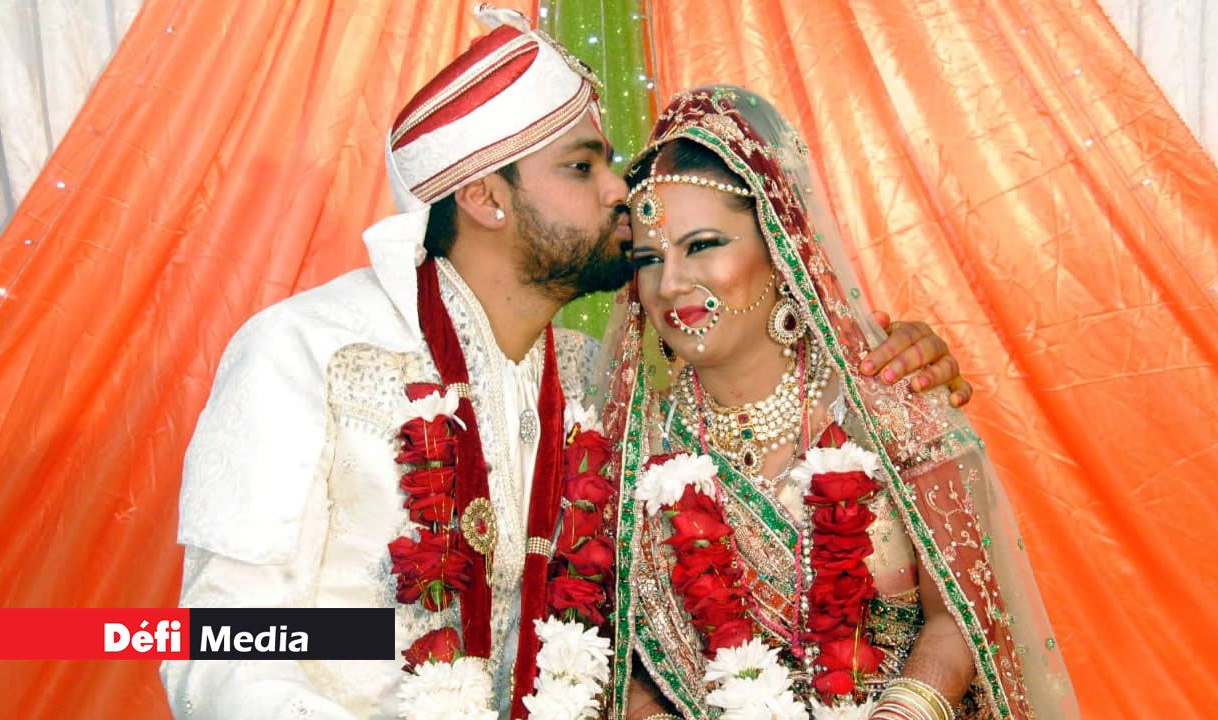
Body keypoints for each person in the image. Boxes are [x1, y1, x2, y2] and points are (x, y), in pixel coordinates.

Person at [161, 7, 969, 718]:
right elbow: (216, 639)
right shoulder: (310, 353)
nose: (622, 191)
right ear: (485, 198)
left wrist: (890, 352)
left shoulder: (596, 383)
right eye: (584, 166)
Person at [602, 86, 1079, 720]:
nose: (669, 284)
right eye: (648, 257)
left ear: (781, 246)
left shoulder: (895, 406)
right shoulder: (632, 446)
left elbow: (965, 617)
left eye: (703, 245)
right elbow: (616, 655)